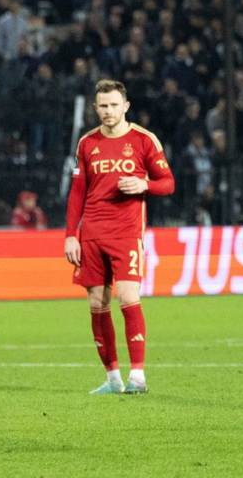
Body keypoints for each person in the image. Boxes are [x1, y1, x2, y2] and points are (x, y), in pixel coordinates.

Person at [64, 79, 174, 395]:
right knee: (98, 304)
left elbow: (168, 182)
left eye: (114, 105)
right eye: (103, 105)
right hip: (92, 235)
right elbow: (78, 192)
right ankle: (112, 378)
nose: (108, 111)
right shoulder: (86, 143)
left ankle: (137, 376)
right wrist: (71, 235)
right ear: (96, 107)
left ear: (125, 106)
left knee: (128, 296)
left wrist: (145, 185)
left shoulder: (143, 140)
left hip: (126, 234)